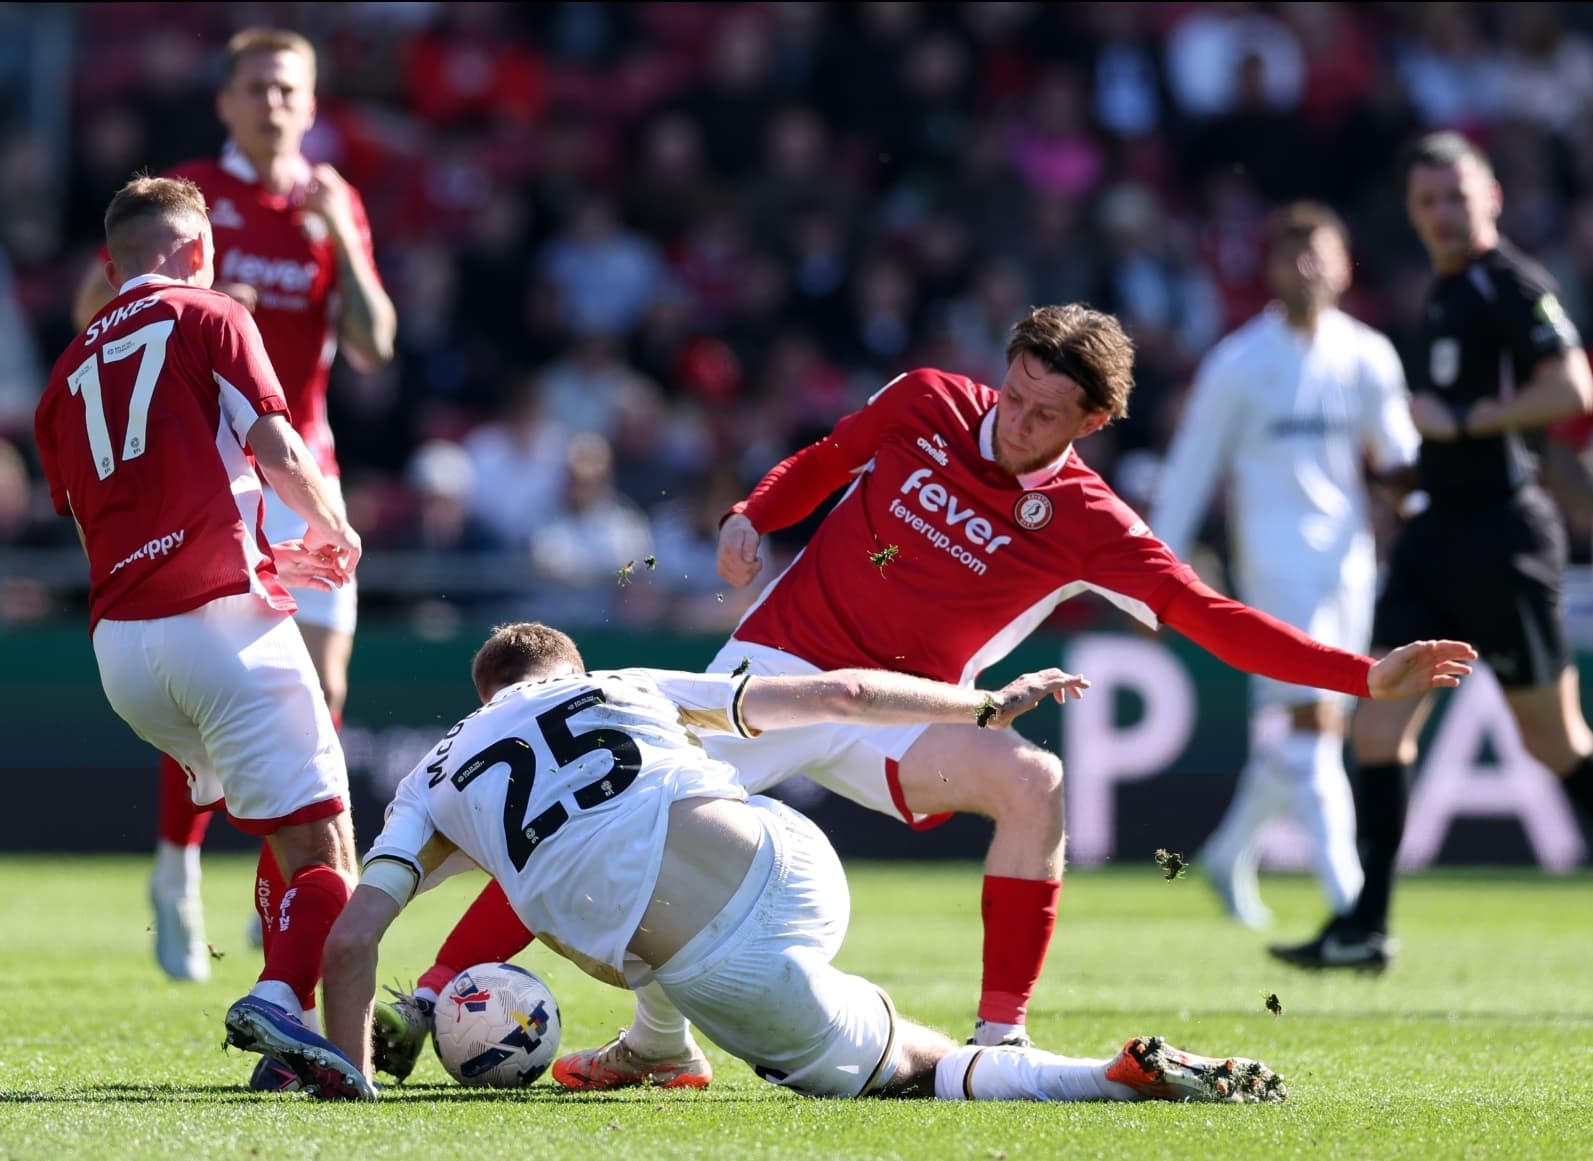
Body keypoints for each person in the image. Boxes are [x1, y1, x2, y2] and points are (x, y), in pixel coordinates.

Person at [367, 302, 1475, 1090]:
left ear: (1092, 424)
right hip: (781, 673)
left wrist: (1358, 671)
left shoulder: (1091, 520)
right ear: (1004, 370)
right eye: (1016, 394)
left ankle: (998, 1040)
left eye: (1048, 417)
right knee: (606, 804)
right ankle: (435, 996)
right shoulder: (930, 402)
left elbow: (1202, 615)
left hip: (906, 707)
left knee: (1033, 784)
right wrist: (756, 513)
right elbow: (826, 456)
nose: (1017, 423)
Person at [256, 619, 1293, 1106]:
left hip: (714, 961)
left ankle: (1103, 1083)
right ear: (563, 670)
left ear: (484, 695)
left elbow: (353, 939)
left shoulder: (436, 774)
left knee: (909, 1073)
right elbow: (839, 696)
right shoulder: (618, 681)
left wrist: (345, 1069)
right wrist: (976, 702)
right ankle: (657, 1050)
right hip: (791, 859)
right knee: (634, 851)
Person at [71, 27, 395, 989]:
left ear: (311, 99)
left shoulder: (331, 202)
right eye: (255, 87)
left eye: (288, 88)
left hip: (304, 466)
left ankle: (282, 910)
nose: (273, 103)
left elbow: (373, 344)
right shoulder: (187, 203)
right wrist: (198, 297)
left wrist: (340, 233)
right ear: (225, 102)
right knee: (216, 694)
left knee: (316, 707)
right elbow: (102, 303)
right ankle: (177, 868)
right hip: (212, 470)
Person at [35, 175, 364, 1094]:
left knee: (277, 829)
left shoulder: (62, 376)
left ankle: (291, 1057)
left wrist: (264, 551)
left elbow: (114, 516)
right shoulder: (210, 312)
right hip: (220, 626)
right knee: (327, 846)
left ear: (112, 266)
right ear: (195, 253)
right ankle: (276, 997)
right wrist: (332, 529)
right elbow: (276, 445)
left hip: (123, 652)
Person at [1270, 132, 1593, 972]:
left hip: (1503, 537)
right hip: (1435, 535)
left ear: (1490, 196)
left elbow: (1571, 388)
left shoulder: (1509, 284)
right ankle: (1362, 929)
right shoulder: (1445, 291)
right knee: (1376, 727)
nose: (1444, 214)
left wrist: (1462, 424)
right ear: (1411, 212)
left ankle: (1361, 925)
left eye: (1457, 196)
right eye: (1427, 201)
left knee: (1553, 743)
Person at [1149, 202, 1421, 928]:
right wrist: (1153, 575)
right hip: (1271, 561)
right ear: (1269, 269)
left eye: (1319, 254)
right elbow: (1188, 470)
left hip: (1347, 563)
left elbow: (1398, 461)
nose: (1306, 268)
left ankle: (1225, 853)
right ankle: (1353, 901)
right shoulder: (1238, 362)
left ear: (1342, 266)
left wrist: (1435, 517)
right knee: (1313, 720)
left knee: (1307, 729)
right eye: (1291, 255)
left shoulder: (1368, 354)